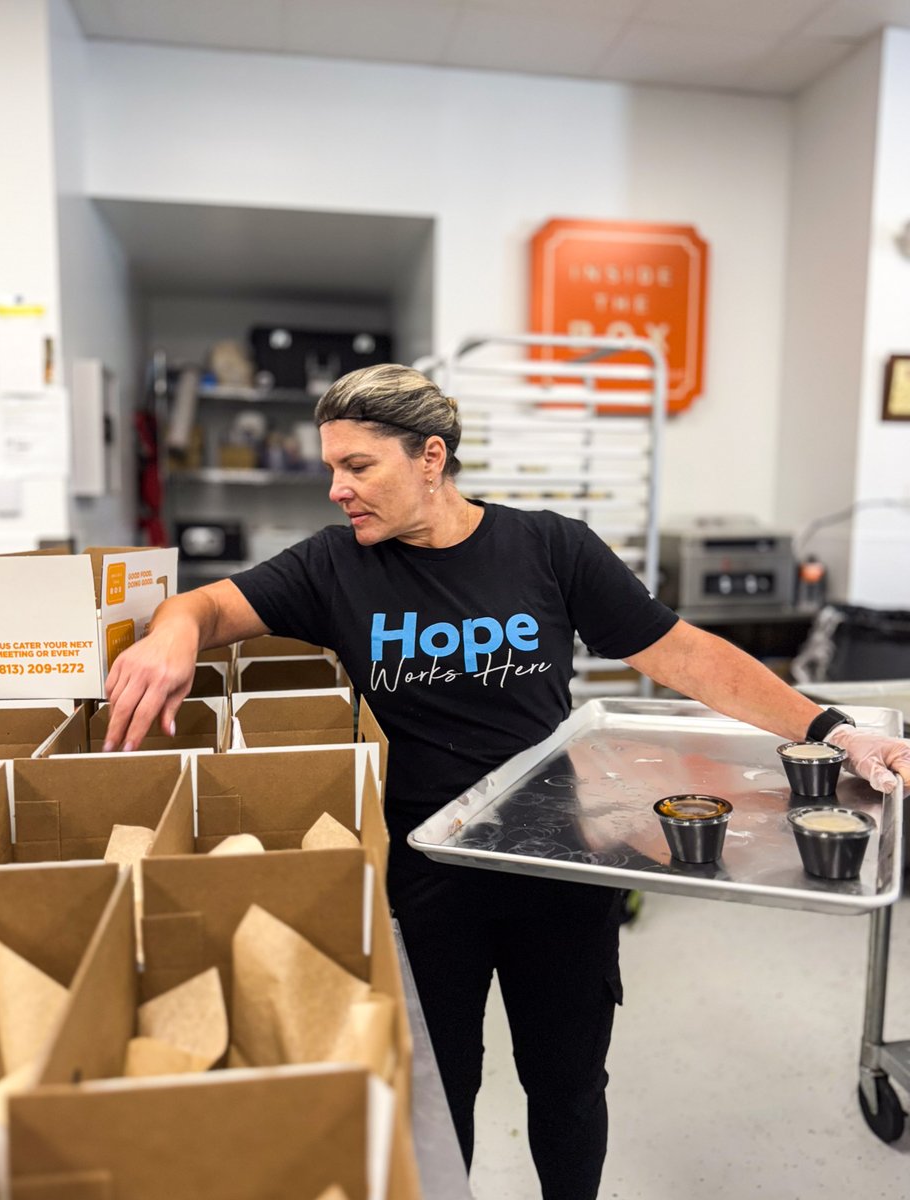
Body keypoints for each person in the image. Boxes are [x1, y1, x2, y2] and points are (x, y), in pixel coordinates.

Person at [104, 363, 910, 1199]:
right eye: (331, 469)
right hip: (424, 878)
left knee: (566, 1091)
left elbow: (684, 655)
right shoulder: (332, 567)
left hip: (557, 864)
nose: (338, 491)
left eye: (358, 467)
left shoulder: (549, 548)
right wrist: (172, 633)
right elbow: (208, 609)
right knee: (438, 1093)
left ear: (430, 458)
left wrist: (832, 728)